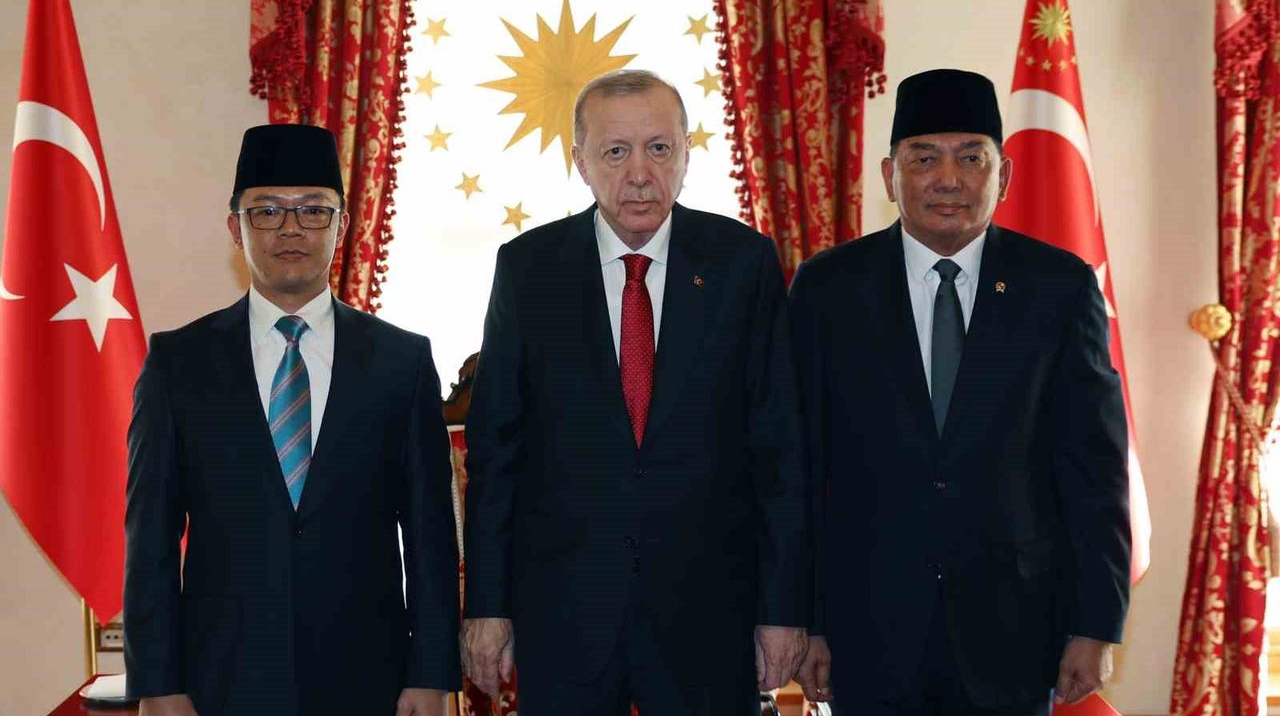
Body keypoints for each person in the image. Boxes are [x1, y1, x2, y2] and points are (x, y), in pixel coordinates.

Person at [460, 70, 809, 715]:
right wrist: (487, 606)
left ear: (686, 155)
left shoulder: (743, 262)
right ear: (581, 163)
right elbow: (496, 453)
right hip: (565, 613)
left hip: (708, 613)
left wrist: (783, 609)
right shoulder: (529, 268)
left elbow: (780, 450)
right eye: (616, 151)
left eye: (659, 148)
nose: (640, 174)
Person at [789, 69, 1130, 716]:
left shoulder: (1058, 288)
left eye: (971, 158)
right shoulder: (828, 289)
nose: (948, 179)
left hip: (1016, 628)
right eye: (924, 158)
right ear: (889, 176)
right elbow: (800, 466)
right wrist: (804, 621)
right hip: (865, 625)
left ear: (1004, 175)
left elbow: (1095, 465)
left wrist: (1095, 623)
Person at [124, 124, 460, 716]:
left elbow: (430, 533)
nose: (290, 228)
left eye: (312, 209)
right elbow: (150, 538)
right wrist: (157, 683)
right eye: (267, 211)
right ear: (236, 228)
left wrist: (431, 673)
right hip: (219, 681)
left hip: (370, 681)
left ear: (342, 224)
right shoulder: (178, 364)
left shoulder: (401, 362)